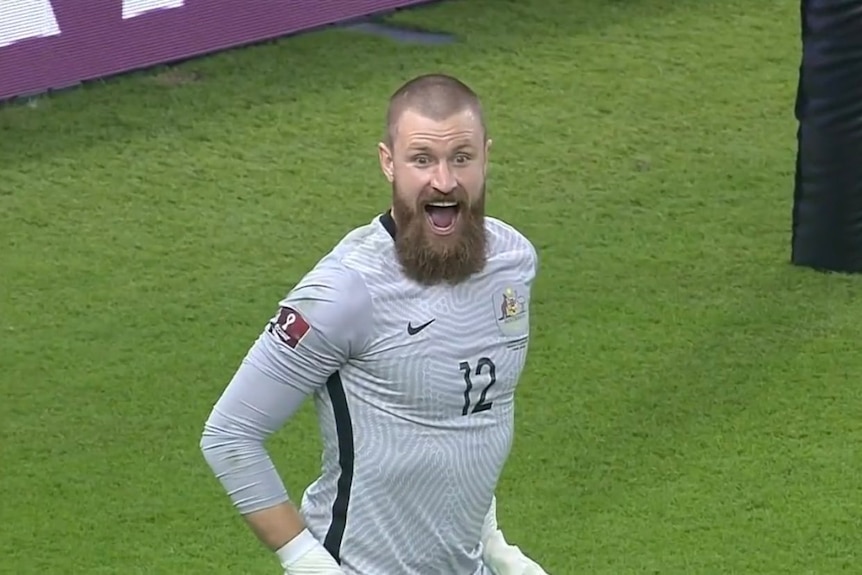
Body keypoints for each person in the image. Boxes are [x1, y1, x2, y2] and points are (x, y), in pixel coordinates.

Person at [200, 73, 549, 575]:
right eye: (422, 159)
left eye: (462, 158)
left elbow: (471, 422)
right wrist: (309, 566)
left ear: (486, 157)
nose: (444, 181)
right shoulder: (345, 291)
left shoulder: (513, 262)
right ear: (389, 162)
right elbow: (229, 435)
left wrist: (494, 547)